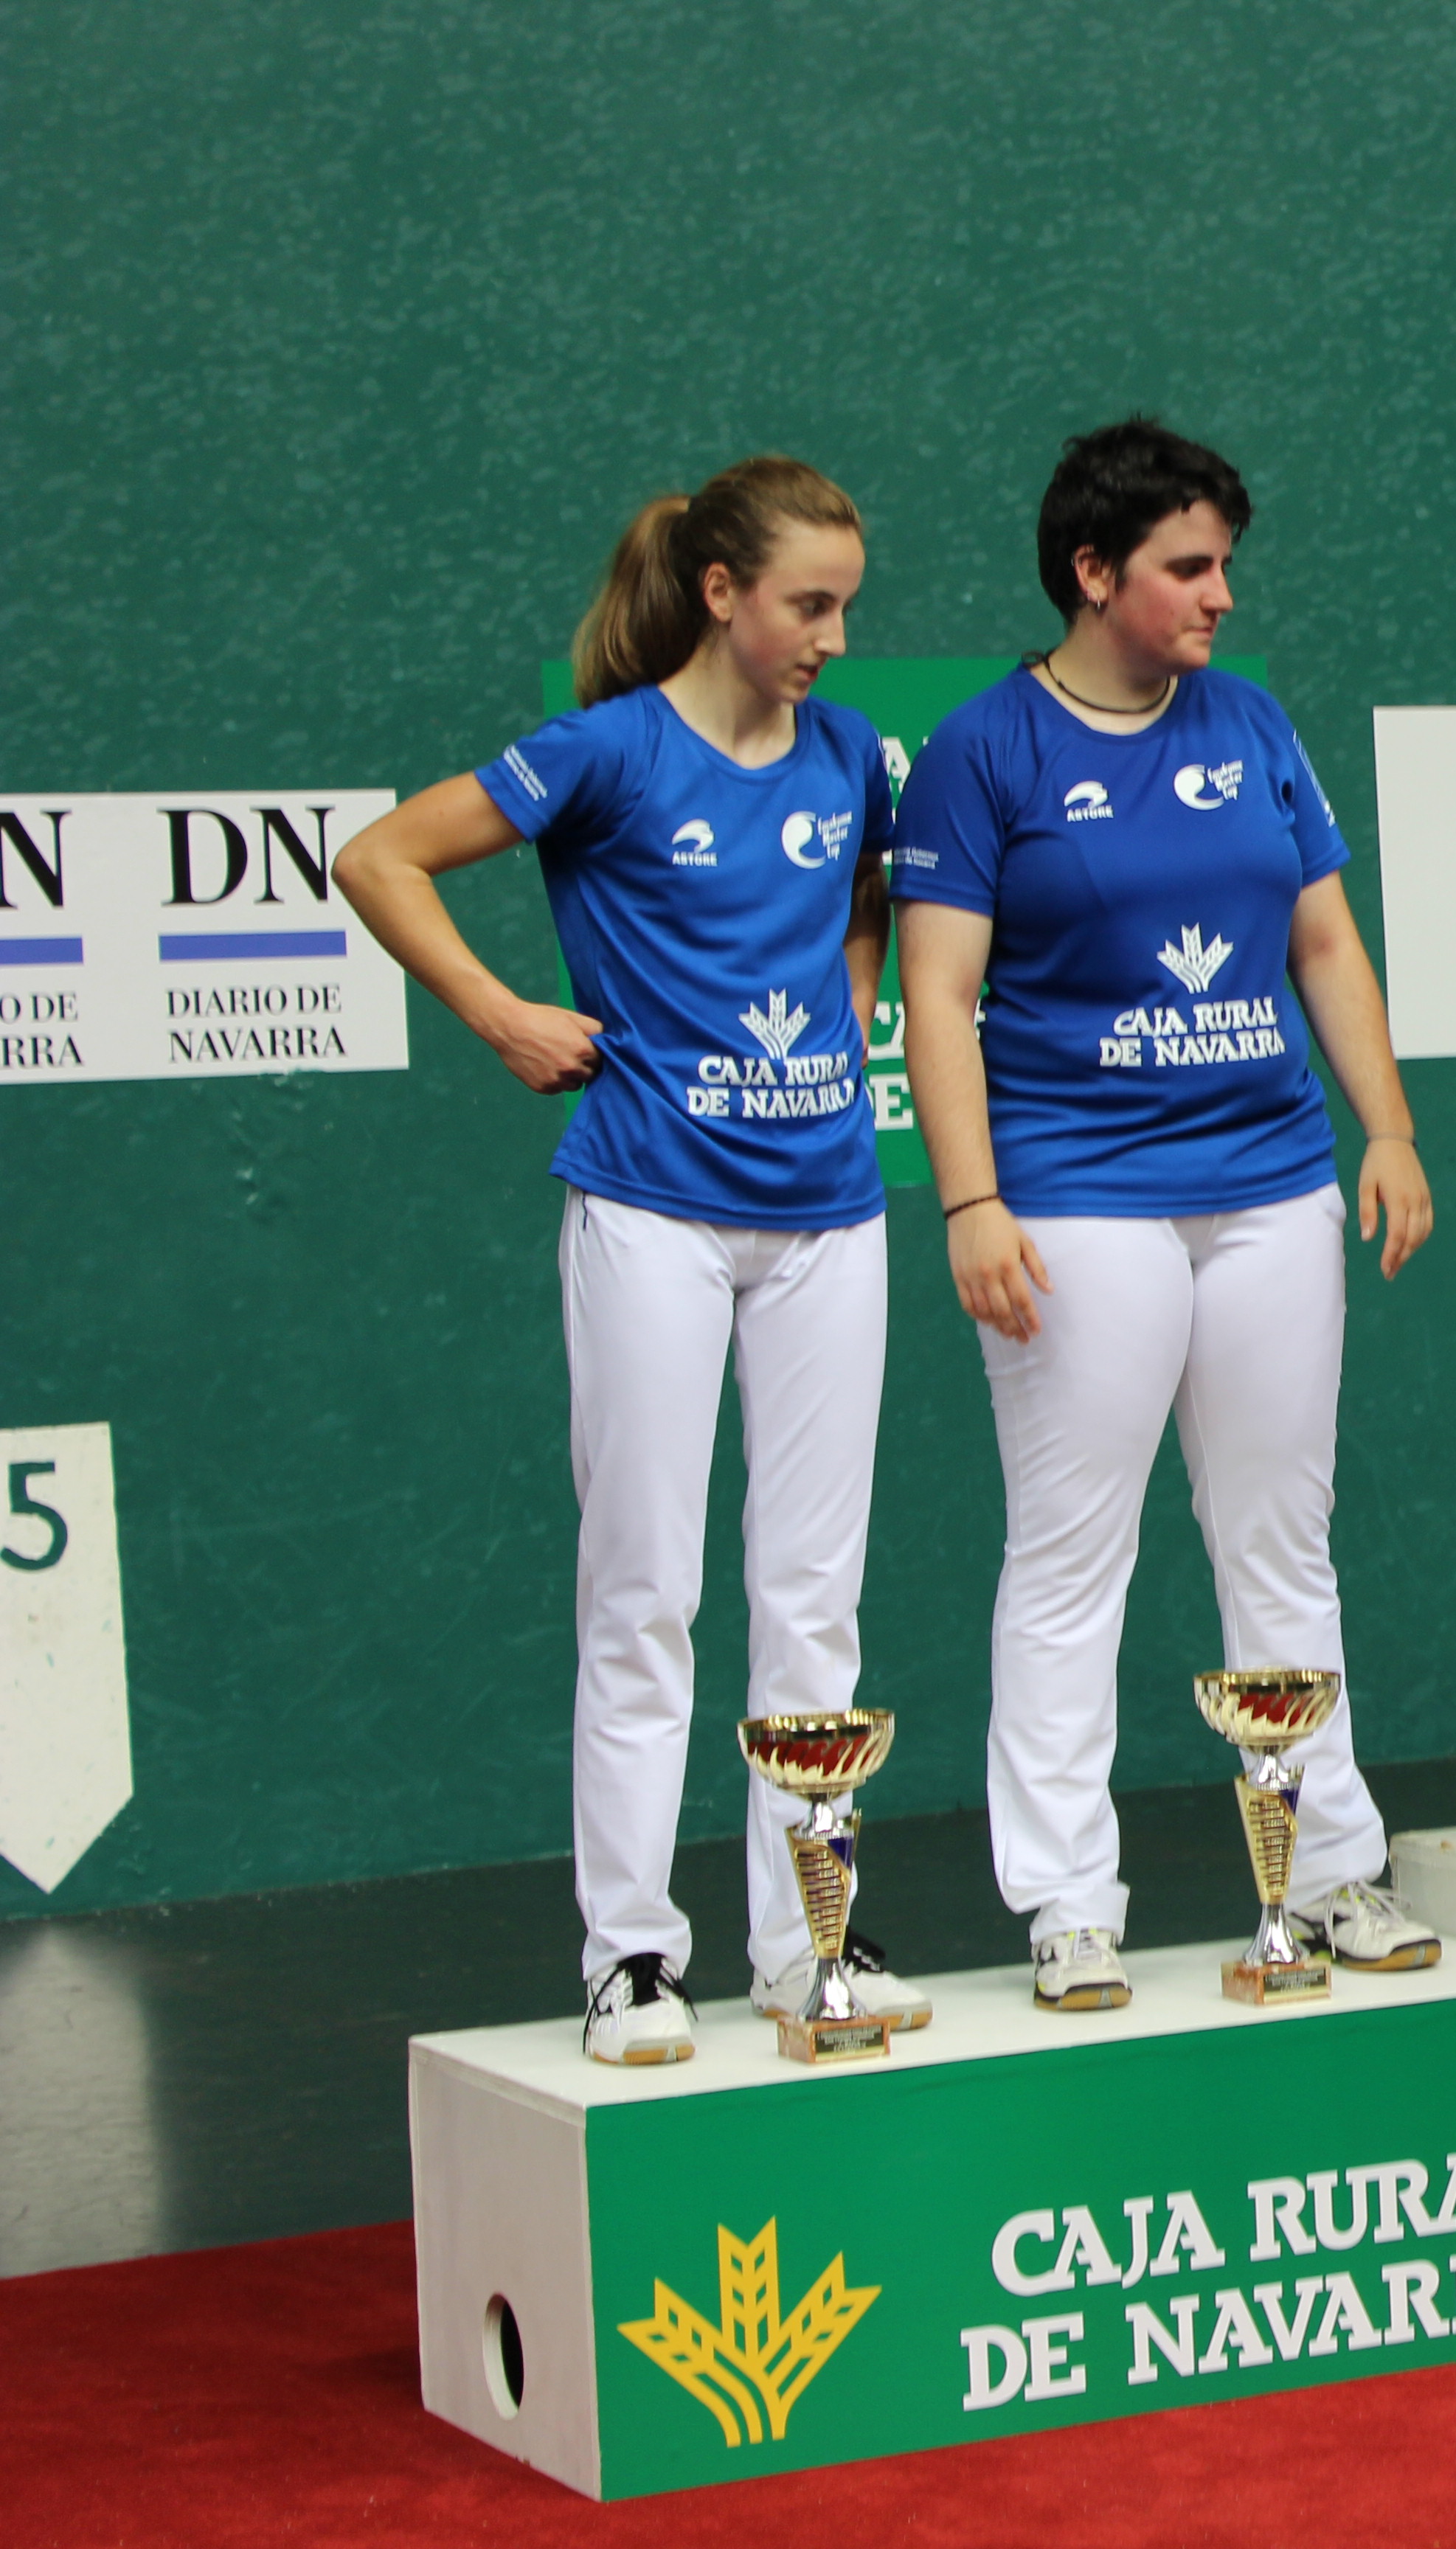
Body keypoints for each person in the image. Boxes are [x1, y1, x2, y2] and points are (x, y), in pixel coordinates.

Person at [336, 456, 915, 2064]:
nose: (834, 638)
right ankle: (634, 1959)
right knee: (646, 1592)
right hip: (654, 1207)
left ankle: (807, 1947)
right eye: (808, 605)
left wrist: (851, 994)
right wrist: (501, 1013)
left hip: (829, 1217)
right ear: (721, 594)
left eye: (847, 606)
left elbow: (866, 892)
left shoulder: (849, 752)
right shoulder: (606, 750)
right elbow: (379, 857)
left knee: (815, 1599)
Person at [893, 420, 1436, 2015]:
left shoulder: (1251, 720)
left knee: (1282, 1540)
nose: (1220, 594)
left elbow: (1323, 944)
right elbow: (937, 993)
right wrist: (971, 1199)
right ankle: (1069, 1901)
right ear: (1093, 571)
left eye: (1225, 565)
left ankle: (1327, 1870)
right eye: (1188, 567)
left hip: (1269, 1186)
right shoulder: (986, 750)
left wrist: (1388, 1129)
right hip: (1077, 1198)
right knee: (1075, 1556)